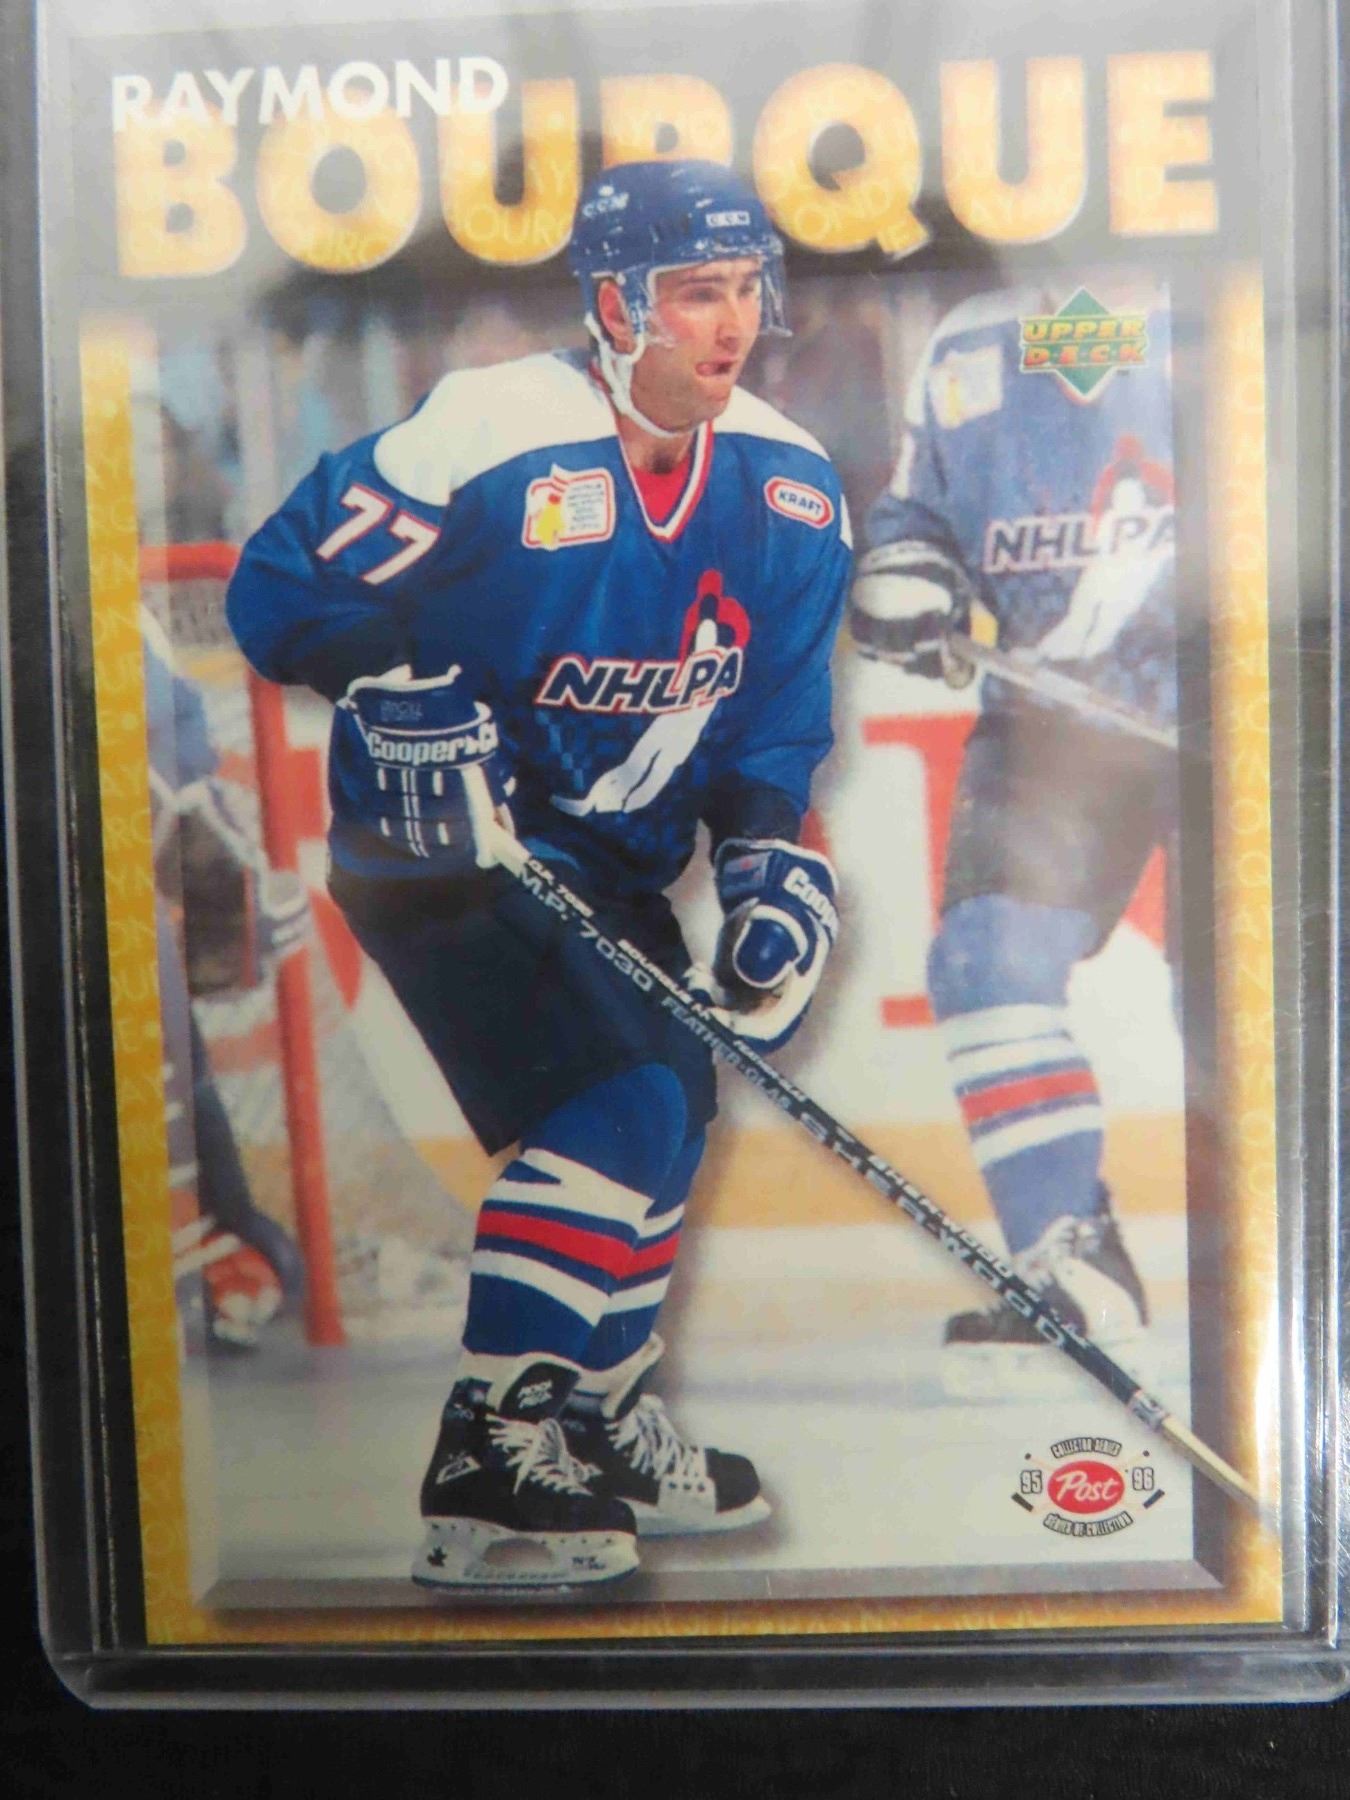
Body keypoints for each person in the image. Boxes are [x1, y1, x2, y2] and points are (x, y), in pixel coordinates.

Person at [227, 160, 852, 1590]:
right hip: (442, 843)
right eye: (695, 293)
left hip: (607, 865)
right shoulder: (490, 432)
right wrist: (383, 674)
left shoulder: (791, 489)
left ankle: (596, 1418)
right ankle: (490, 1441)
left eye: (743, 290)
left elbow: (770, 729)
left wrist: (770, 872)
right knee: (620, 1099)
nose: (730, 324)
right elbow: (279, 584)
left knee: (672, 1100)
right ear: (616, 305)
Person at [850, 281, 1177, 1396]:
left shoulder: (1226, 298)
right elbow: (917, 511)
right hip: (1048, 724)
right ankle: (1068, 1264)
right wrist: (911, 568)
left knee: (1245, 1005)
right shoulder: (969, 339)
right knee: (986, 962)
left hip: (1245, 712)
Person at [144, 609, 307, 1350]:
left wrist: (224, 877)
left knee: (163, 990)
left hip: (114, 870)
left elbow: (175, 770)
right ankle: (202, 1238)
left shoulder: (121, 623)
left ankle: (217, 1228)